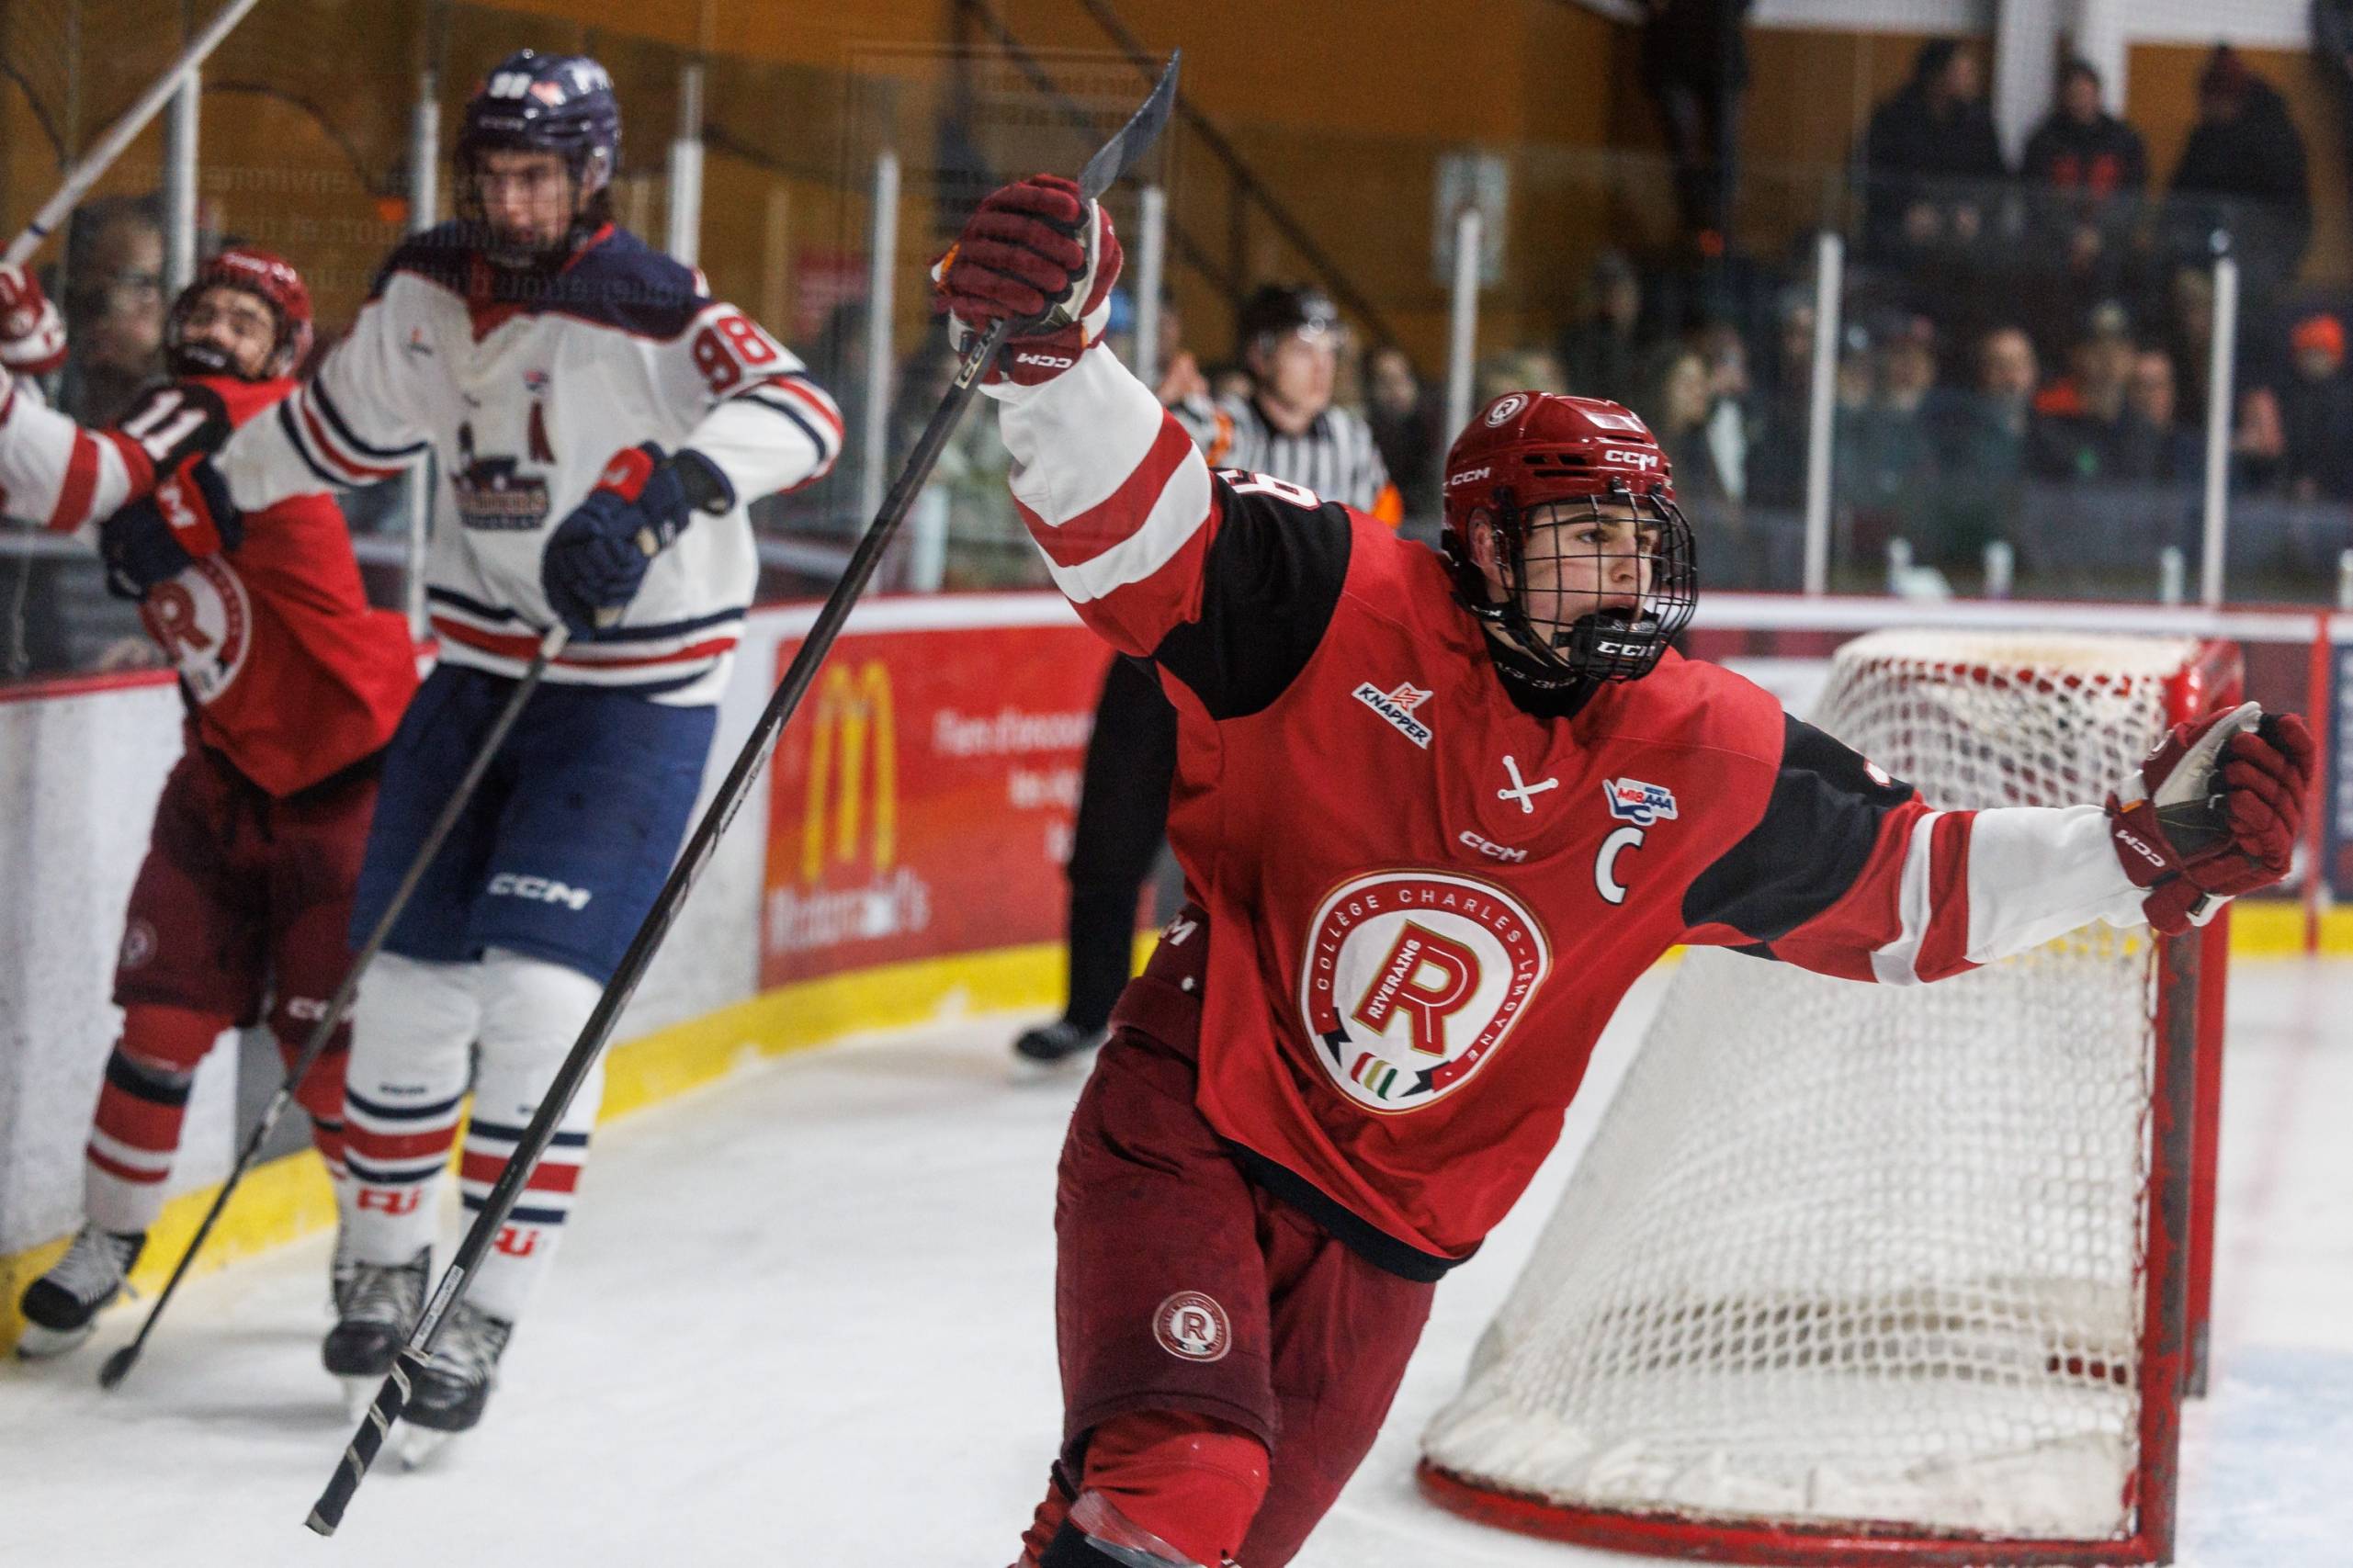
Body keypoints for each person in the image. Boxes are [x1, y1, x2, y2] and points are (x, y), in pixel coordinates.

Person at [933, 174, 2317, 1568]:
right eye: (1584, 539)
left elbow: (1920, 886)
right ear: (1485, 545)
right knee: (1179, 1490)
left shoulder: (1701, 754)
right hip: (1197, 1118)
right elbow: (1153, 525)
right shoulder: (1336, 605)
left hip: (1393, 1234)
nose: (1625, 574)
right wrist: (1055, 355)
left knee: (1196, 1541)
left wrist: (2137, 849)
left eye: (1639, 540)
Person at [150, 51, 841, 1437]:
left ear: (591, 175)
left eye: (538, 176)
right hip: (474, 675)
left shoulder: (653, 301)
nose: (512, 201)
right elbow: (334, 431)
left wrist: (661, 494)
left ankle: (482, 1303)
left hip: (631, 700)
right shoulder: (426, 285)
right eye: (494, 174)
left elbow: (802, 413)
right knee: (404, 987)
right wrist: (205, 497)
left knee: (535, 1003)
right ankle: (383, 1257)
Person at [0, 248, 418, 1357]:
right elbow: (47, 465)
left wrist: (22, 364)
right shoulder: (172, 421)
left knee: (333, 1063)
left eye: (247, 321)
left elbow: (67, 480)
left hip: (346, 788)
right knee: (160, 1025)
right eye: (207, 311)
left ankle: (378, 1262)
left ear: (284, 357)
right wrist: (26, 342)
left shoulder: (233, 412)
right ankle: (108, 1241)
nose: (219, 332)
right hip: (224, 776)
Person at [1015, 286, 1397, 1066]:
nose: (1320, 367)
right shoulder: (1214, 421)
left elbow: (1378, 549)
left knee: (1278, 860)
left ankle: (1271, 1023)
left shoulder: (1352, 441)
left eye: (1329, 352)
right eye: (1303, 349)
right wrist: (1143, 414)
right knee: (1110, 840)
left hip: (1282, 685)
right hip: (1165, 659)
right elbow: (1136, 467)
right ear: (1260, 356)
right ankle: (1089, 1010)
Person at [2165, 46, 2311, 304]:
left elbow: (2291, 212)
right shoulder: (2205, 137)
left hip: (2261, 257)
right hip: (2206, 249)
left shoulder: (2275, 139)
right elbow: (2179, 196)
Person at [1858, 39, 2008, 263]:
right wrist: (1906, 208)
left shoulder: (1978, 121)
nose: (1972, 80)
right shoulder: (1895, 117)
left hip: (1963, 238)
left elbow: (1998, 178)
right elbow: (1866, 172)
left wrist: (1976, 208)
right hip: (1900, 236)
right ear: (1937, 76)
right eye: (1962, 73)